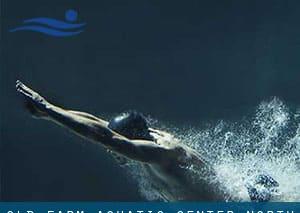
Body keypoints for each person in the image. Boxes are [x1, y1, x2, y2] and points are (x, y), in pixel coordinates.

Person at [15, 80, 278, 201]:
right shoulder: (146, 139)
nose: (110, 151)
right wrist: (51, 113)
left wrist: (48, 109)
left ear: (132, 140)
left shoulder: (162, 154)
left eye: (115, 146)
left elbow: (105, 137)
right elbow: (98, 125)